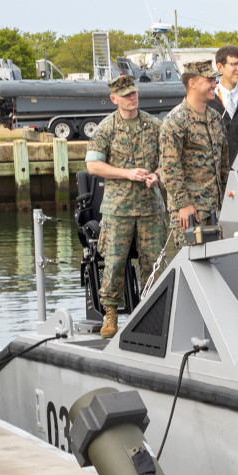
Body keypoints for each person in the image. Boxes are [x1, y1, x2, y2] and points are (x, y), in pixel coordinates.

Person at [83, 74, 165, 339]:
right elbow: (93, 165)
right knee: (114, 262)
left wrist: (158, 175)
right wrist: (126, 173)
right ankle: (111, 314)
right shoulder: (106, 128)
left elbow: (170, 158)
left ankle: (152, 312)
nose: (132, 98)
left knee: (154, 263)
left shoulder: (154, 125)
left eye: (134, 93)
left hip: (150, 207)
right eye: (126, 95)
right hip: (118, 208)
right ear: (114, 98)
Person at [155, 60, 230, 272]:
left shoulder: (215, 118)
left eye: (214, 80)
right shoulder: (176, 121)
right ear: (192, 83)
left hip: (216, 208)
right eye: (209, 80)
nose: (214, 84)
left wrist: (226, 199)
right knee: (193, 269)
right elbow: (170, 168)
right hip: (191, 212)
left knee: (218, 267)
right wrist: (182, 204)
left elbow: (223, 163)